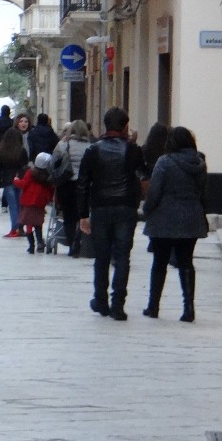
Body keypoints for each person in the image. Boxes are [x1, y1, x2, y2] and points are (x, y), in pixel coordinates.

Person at [77, 107, 148, 321]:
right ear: (125, 126)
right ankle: (118, 304)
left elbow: (83, 184)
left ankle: (100, 299)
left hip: (100, 207)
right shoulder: (133, 150)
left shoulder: (93, 150)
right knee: (123, 256)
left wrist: (83, 214)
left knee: (102, 256)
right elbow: (144, 174)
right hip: (125, 207)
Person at [141, 126, 208, 322]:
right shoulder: (200, 163)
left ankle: (153, 306)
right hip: (191, 217)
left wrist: (147, 209)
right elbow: (202, 190)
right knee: (186, 262)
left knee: (159, 262)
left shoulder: (164, 162)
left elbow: (155, 191)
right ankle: (189, 308)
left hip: (164, 218)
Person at [51, 119, 92, 255]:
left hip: (66, 184)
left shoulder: (63, 144)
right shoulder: (90, 146)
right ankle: (78, 240)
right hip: (83, 185)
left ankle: (71, 244)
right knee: (81, 215)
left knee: (68, 216)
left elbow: (53, 163)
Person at [14, 151, 56, 254]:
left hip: (28, 202)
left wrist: (15, 180)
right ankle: (40, 243)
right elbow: (51, 190)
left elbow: (23, 184)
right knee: (38, 224)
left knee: (29, 224)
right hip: (40, 203)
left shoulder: (31, 173)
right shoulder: (48, 176)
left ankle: (31, 246)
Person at [0, 126, 28, 238]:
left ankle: (14, 228)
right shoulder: (22, 151)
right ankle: (20, 228)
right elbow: (25, 166)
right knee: (20, 205)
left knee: (13, 206)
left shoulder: (0, 151)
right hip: (20, 180)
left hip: (7, 181)